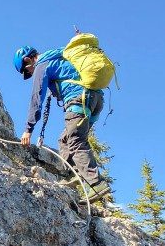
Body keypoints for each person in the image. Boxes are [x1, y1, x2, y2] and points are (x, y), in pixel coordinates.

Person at [14, 44, 110, 203]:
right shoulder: (60, 57)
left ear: (27, 60)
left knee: (75, 141)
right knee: (65, 139)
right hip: (95, 100)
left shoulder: (42, 65)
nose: (29, 74)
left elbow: (37, 98)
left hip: (78, 100)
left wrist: (28, 129)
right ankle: (71, 176)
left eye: (26, 71)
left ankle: (95, 184)